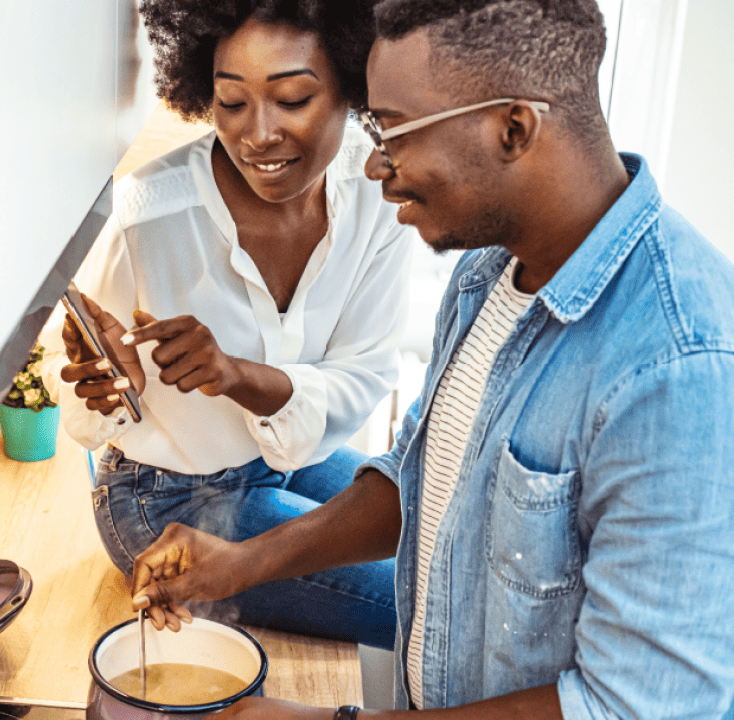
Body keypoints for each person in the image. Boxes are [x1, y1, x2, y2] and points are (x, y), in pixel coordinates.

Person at [128, 0, 734, 717]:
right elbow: (419, 478)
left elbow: (635, 706)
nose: (377, 167)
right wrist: (243, 563)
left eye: (393, 131)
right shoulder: (487, 273)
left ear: (513, 127)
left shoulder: (678, 366)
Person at [39, 0, 415, 650]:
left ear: (352, 84)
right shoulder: (148, 217)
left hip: (290, 463)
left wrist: (237, 376)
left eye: (293, 97)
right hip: (161, 499)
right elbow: (82, 409)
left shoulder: (377, 189)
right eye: (232, 101)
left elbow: (362, 378)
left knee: (445, 534)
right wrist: (101, 387)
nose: (257, 135)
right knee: (421, 600)